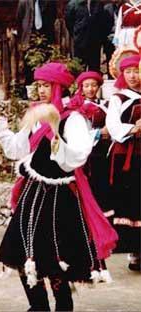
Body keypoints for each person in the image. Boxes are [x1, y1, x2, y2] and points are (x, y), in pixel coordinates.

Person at [0, 63, 118, 311]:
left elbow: (78, 157)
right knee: (20, 251)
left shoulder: (73, 118)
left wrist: (58, 139)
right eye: (39, 85)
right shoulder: (37, 115)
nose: (41, 90)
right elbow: (18, 148)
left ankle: (63, 307)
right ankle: (38, 306)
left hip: (60, 198)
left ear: (58, 87)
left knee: (55, 259)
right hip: (33, 193)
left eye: (46, 85)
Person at [70, 71, 113, 281]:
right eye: (86, 85)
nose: (90, 89)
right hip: (85, 157)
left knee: (104, 195)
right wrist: (98, 133)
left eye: (93, 85)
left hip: (102, 156)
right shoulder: (76, 108)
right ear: (81, 88)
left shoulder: (105, 105)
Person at [106, 55, 141, 271]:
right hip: (126, 158)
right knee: (130, 203)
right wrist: (134, 129)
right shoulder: (118, 98)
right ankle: (134, 252)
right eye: (128, 72)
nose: (132, 76)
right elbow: (113, 126)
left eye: (136, 71)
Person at [65, 0, 108, 71]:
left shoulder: (98, 4)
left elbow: (102, 22)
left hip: (95, 42)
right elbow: (69, 22)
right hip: (80, 42)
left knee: (94, 68)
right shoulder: (73, 4)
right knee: (79, 68)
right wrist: (77, 33)